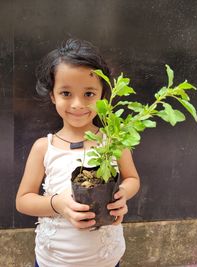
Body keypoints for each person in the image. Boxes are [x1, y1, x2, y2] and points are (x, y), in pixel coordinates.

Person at [16, 39, 140, 267]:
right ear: (52, 95)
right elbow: (23, 200)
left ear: (103, 96)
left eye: (89, 94)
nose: (77, 104)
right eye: (65, 93)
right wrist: (58, 204)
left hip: (106, 259)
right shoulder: (44, 147)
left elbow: (132, 178)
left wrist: (122, 193)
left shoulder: (114, 140)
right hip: (53, 261)